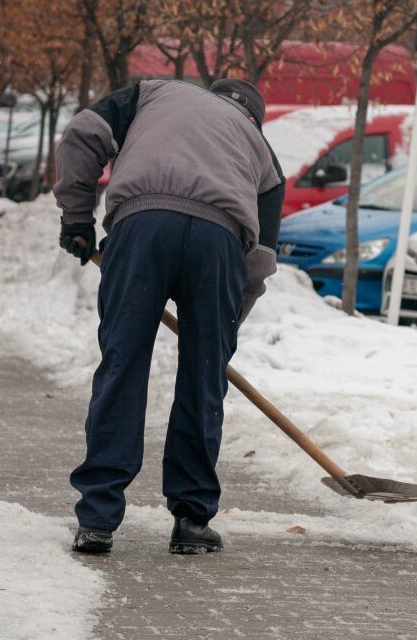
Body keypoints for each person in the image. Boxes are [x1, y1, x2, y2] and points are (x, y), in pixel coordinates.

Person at [53, 78, 285, 555]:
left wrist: (77, 218)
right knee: (202, 379)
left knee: (123, 366)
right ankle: (192, 519)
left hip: (141, 227)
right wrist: (219, 334)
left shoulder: (150, 94)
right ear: (254, 119)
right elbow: (258, 261)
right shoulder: (263, 153)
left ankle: (97, 518)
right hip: (218, 244)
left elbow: (83, 132)